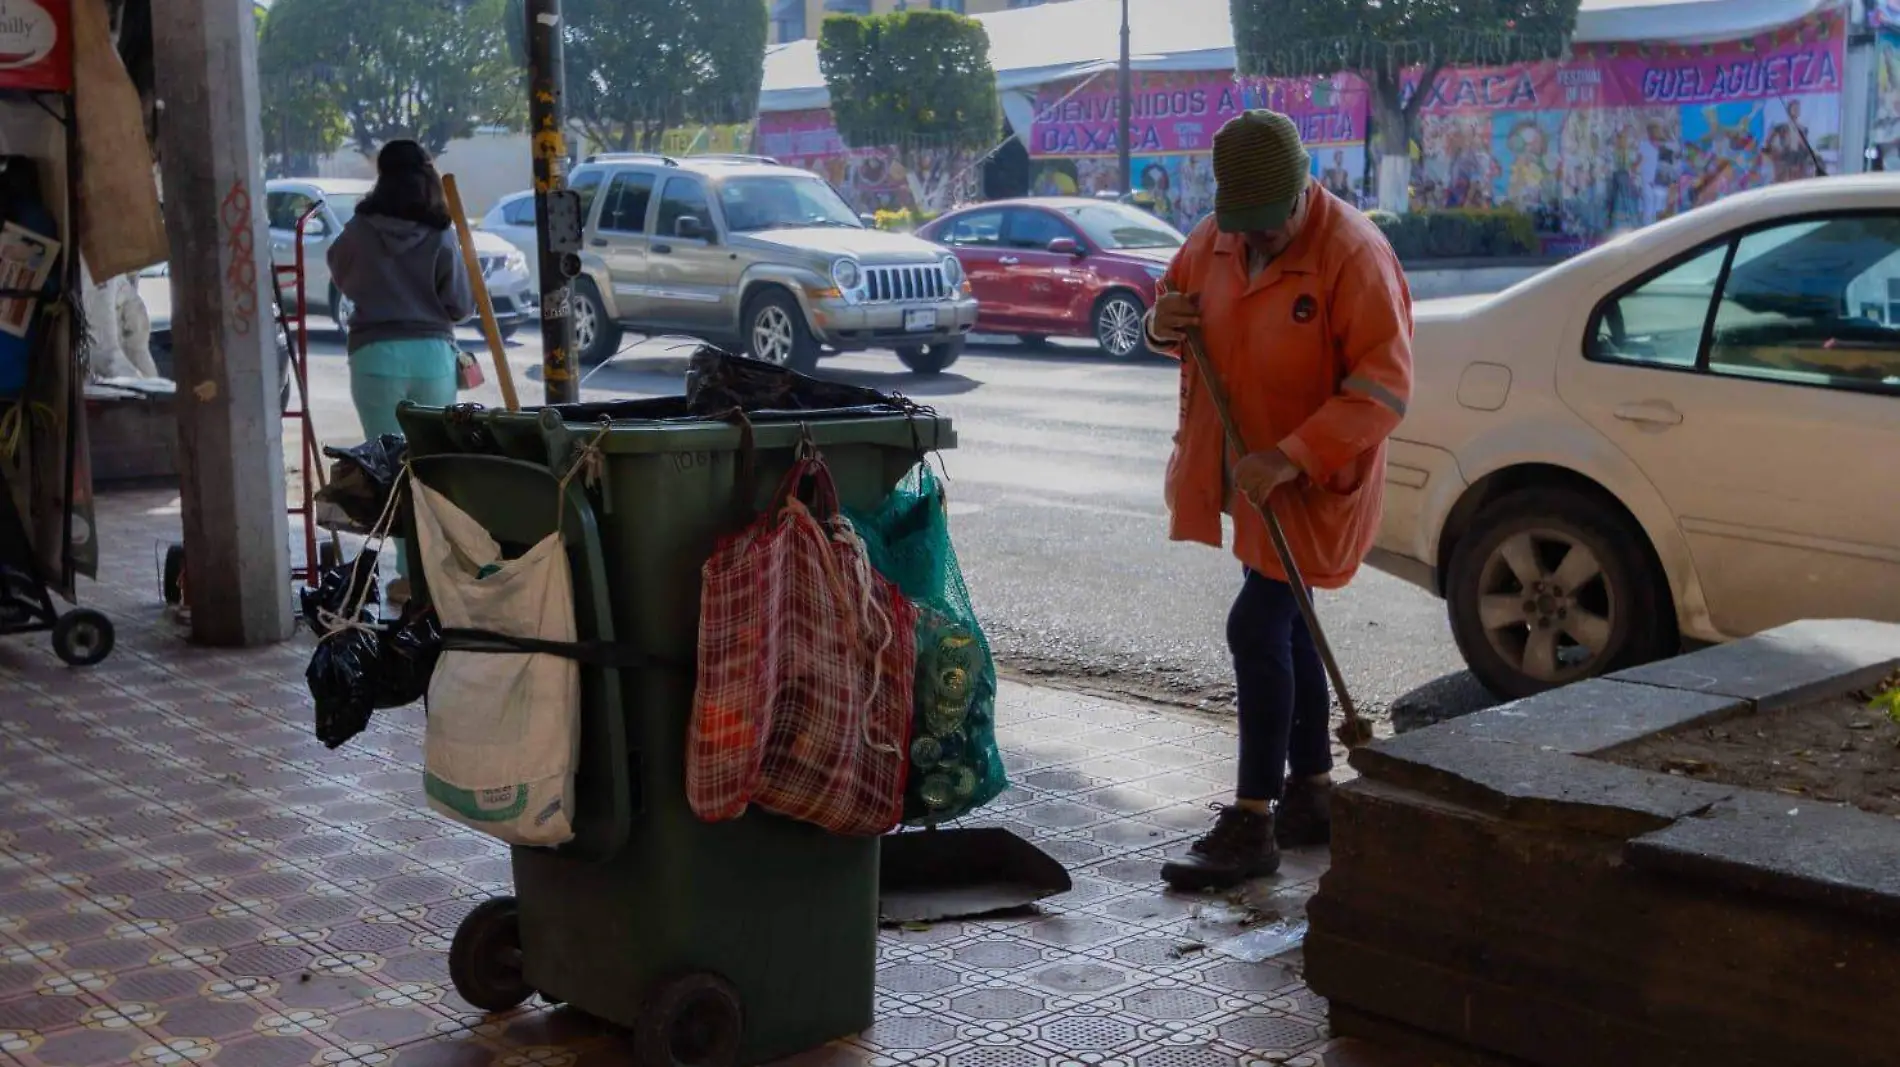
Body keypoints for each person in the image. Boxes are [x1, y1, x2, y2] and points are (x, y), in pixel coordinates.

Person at [1142, 110, 1413, 891]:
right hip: (1250, 475)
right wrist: (1164, 323)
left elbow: (1384, 388)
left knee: (1255, 623)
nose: (1255, 244)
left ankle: (1253, 819)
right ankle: (1315, 791)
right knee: (1286, 624)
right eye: (1244, 230)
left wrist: (1292, 456)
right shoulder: (1216, 238)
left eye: (1270, 228)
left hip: (1313, 477)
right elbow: (1173, 303)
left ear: (1303, 192)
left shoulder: (1352, 253)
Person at [327, 139, 473, 602]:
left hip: (374, 358)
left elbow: (339, 269)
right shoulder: (440, 230)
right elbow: (461, 305)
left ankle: (408, 576)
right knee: (431, 469)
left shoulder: (359, 229)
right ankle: (435, 574)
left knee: (392, 472)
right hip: (432, 357)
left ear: (381, 174)